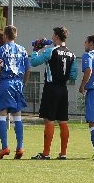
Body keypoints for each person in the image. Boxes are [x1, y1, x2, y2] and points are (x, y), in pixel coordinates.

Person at [29, 26, 76, 160]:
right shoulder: (71, 54)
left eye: (53, 35)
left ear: (56, 36)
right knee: (63, 121)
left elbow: (34, 62)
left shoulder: (51, 51)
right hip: (63, 89)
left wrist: (36, 50)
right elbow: (73, 75)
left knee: (49, 120)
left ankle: (46, 153)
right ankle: (63, 153)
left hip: (51, 88)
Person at [0, 25, 30, 159]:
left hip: (6, 83)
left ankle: (5, 147)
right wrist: (23, 84)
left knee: (2, 114)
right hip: (18, 83)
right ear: (15, 36)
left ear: (5, 36)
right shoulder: (22, 50)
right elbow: (28, 69)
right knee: (17, 116)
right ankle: (20, 147)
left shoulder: (2, 49)